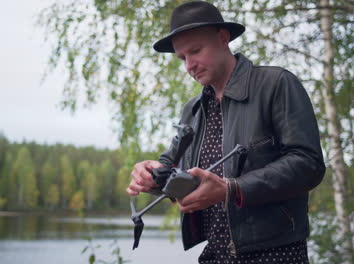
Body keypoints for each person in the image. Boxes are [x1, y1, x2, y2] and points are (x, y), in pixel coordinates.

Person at [126, 1, 325, 263]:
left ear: (223, 38)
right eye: (182, 58)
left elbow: (308, 164)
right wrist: (153, 176)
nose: (189, 65)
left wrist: (230, 188)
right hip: (214, 255)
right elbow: (172, 166)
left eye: (195, 51)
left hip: (276, 254)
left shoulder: (275, 84)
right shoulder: (193, 111)